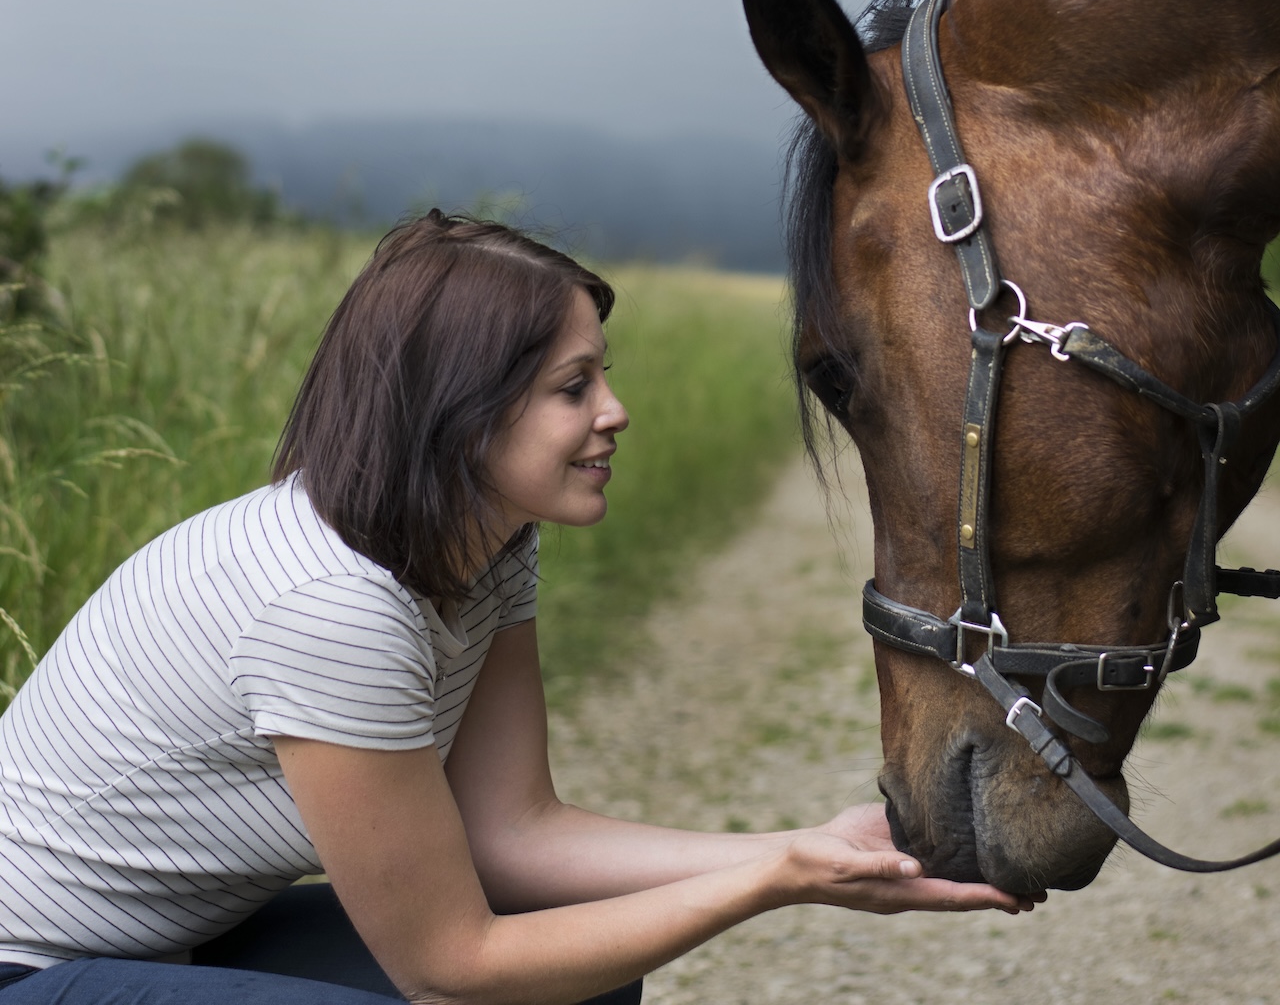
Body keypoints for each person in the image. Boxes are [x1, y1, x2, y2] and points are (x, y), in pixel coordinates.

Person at [0, 214, 1032, 1005]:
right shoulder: (330, 604)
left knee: (580, 973)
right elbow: (449, 968)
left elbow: (511, 832)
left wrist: (805, 844)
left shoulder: (486, 545)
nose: (614, 412)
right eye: (571, 387)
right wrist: (775, 879)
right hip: (31, 967)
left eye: (602, 378)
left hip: (178, 941)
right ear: (459, 410)